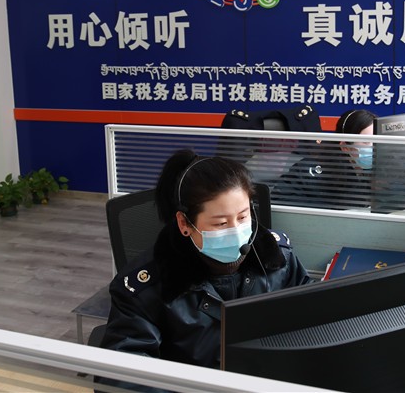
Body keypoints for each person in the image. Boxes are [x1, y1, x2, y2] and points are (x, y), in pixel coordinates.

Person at [98, 149, 311, 375]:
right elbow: (123, 373)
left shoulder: (278, 258)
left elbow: (312, 317)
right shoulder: (147, 288)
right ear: (184, 224)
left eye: (243, 216)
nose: (236, 230)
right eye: (220, 224)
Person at [272, 109, 378, 209]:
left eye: (376, 141)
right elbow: (278, 201)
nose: (373, 147)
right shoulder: (315, 171)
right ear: (345, 147)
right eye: (366, 142)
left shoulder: (378, 172)